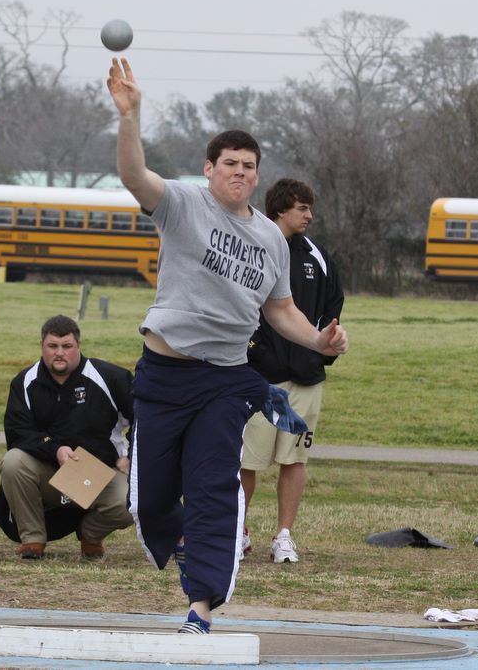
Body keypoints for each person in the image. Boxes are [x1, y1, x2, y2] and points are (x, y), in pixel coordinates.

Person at [106, 57, 348, 634]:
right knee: (147, 502)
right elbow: (134, 176)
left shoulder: (270, 238)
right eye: (230, 164)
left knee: (215, 489)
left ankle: (202, 605)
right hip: (165, 375)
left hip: (224, 380)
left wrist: (320, 340)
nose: (240, 173)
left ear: (258, 175)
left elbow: (280, 310)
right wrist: (130, 116)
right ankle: (182, 542)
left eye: (249, 166)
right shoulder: (183, 205)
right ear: (209, 168)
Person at [241, 178, 344, 564]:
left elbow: (333, 308)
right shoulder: (252, 247)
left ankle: (283, 536)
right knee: (245, 463)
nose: (309, 215)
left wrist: (321, 353)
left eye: (310, 208)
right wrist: (257, 353)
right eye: (302, 208)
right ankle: (238, 531)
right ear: (281, 209)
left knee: (294, 459)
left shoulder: (318, 257)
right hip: (257, 380)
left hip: (305, 379)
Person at [0, 315, 133, 560]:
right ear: (42, 346)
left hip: (99, 473)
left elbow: (146, 418)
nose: (59, 353)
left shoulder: (111, 377)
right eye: (53, 346)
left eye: (67, 346)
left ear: (78, 345)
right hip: (49, 472)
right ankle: (33, 539)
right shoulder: (24, 382)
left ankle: (90, 533)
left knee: (132, 501)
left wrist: (131, 455)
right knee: (13, 461)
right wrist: (55, 449)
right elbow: (18, 432)